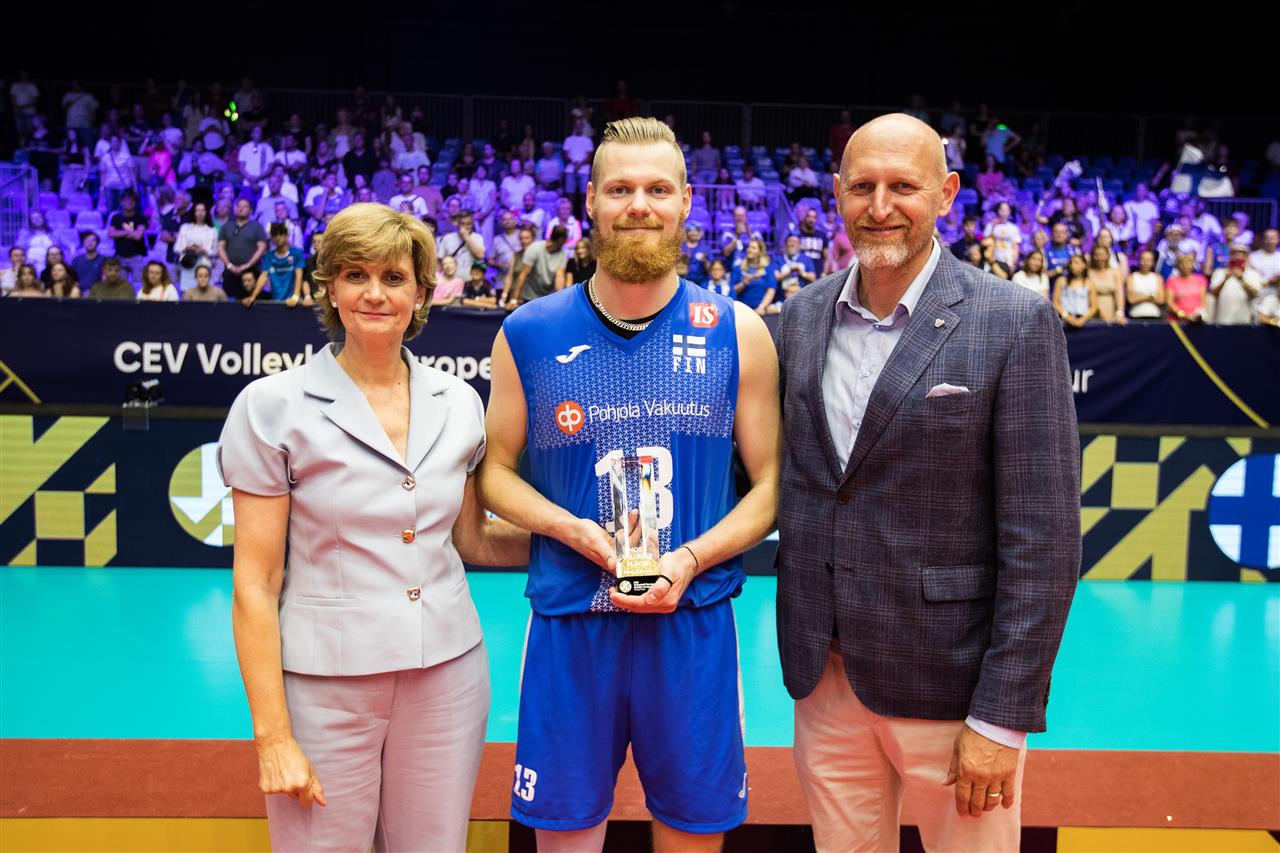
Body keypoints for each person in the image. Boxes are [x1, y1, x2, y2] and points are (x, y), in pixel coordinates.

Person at [775, 114, 1079, 853]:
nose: (880, 206)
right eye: (862, 187)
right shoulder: (801, 317)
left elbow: (1043, 539)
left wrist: (1001, 717)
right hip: (825, 681)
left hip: (953, 688)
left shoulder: (1015, 321)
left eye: (903, 187)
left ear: (945, 193)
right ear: (837, 192)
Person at [476, 115, 779, 853]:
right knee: (565, 835)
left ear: (685, 202)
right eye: (619, 189)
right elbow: (494, 474)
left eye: (657, 189)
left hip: (693, 621)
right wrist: (565, 526)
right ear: (591, 200)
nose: (638, 205)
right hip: (571, 621)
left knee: (693, 834)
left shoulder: (737, 330)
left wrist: (691, 558)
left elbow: (774, 487)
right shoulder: (528, 331)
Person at [219, 202, 529, 853]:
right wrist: (273, 737)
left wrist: (585, 539)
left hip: (449, 677)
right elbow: (255, 581)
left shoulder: (459, 401)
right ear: (330, 288)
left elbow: (472, 539)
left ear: (421, 293)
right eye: (355, 275)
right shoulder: (271, 407)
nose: (375, 293)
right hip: (324, 686)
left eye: (393, 277)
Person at [244, 223, 306, 308]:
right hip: (275, 301)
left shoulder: (296, 253)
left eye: (281, 234)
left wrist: (295, 296)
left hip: (293, 302)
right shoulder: (269, 256)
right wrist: (253, 296)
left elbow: (299, 276)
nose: (278, 237)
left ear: (286, 235)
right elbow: (263, 276)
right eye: (274, 235)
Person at [218, 197, 269, 300]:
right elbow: (220, 247)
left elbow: (262, 248)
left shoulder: (256, 227)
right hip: (230, 272)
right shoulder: (227, 226)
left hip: (251, 273)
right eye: (239, 206)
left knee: (251, 302)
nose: (241, 209)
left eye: (245, 207)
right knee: (230, 304)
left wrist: (247, 265)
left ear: (250, 210)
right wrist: (229, 265)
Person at [504, 225, 567, 306]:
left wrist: (561, 301)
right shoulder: (535, 248)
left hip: (547, 298)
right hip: (529, 298)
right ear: (561, 240)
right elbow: (524, 274)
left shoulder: (562, 254)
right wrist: (514, 300)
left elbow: (559, 276)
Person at [1208, 243, 1262, 325]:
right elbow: (1213, 294)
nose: (1238, 256)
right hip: (1223, 321)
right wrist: (1224, 280)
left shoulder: (1253, 274)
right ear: (1230, 255)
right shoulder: (1219, 272)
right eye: (1235, 253)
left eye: (1242, 254)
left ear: (1246, 257)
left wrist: (1242, 280)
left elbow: (1255, 294)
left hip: (1245, 322)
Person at [175, 201, 220, 292]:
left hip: (204, 265)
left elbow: (216, 251)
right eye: (198, 210)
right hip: (188, 265)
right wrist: (187, 248)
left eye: (203, 210)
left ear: (206, 213)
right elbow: (177, 248)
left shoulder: (212, 231)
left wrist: (204, 251)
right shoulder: (185, 228)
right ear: (194, 212)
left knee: (204, 293)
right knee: (187, 293)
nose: (200, 213)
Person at [1085, 242, 1125, 323]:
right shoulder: (1088, 272)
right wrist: (1097, 309)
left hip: (1110, 306)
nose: (1099, 258)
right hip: (1091, 308)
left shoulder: (1115, 272)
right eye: (1096, 255)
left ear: (1108, 256)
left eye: (1102, 255)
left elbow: (1119, 293)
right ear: (1092, 256)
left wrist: (1120, 312)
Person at [1054, 253, 1097, 328]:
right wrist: (1066, 317)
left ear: (1084, 265)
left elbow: (1094, 307)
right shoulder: (1061, 280)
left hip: (1084, 322)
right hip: (1064, 322)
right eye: (1071, 263)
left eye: (1076, 262)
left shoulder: (1090, 283)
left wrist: (1083, 319)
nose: (1073, 266)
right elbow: (1055, 302)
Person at [1165, 253, 1208, 323]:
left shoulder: (1200, 280)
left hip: (1196, 320)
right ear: (1178, 265)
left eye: (1188, 263)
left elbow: (1203, 302)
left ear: (1192, 265)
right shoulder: (1171, 281)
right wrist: (1183, 315)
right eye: (1182, 263)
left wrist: (1197, 315)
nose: (1185, 266)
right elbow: (1169, 302)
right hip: (1177, 320)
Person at [1126, 249, 1165, 321]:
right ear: (1138, 260)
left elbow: (1160, 300)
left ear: (1153, 262)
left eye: (1148, 260)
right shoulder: (1131, 277)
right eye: (1143, 259)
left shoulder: (1158, 278)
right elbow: (1131, 299)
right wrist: (1151, 296)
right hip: (1135, 315)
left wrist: (1138, 296)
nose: (1145, 262)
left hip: (1154, 315)